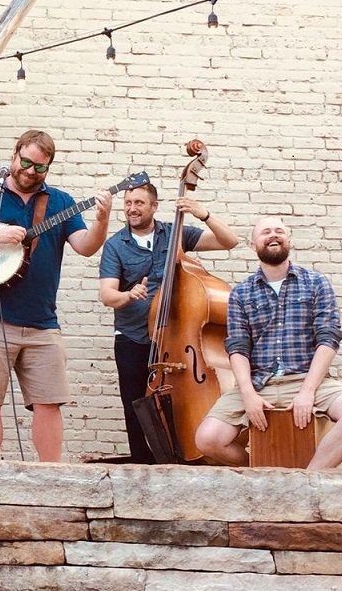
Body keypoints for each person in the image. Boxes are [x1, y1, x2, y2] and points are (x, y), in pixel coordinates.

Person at [0, 130, 112, 462]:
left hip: (41, 319)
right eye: (26, 162)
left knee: (50, 400)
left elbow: (86, 246)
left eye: (40, 167)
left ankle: (51, 478)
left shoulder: (60, 202)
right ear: (15, 154)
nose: (30, 171)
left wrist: (103, 221)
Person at [194, 216, 342, 469]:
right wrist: (248, 394)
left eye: (280, 231)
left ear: (289, 241)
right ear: (253, 245)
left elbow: (328, 340)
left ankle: (309, 482)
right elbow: (238, 348)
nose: (273, 235)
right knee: (207, 439)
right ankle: (262, 475)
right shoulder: (241, 293)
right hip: (258, 382)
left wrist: (307, 391)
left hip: (307, 379)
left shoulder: (316, 283)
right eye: (266, 232)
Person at [98, 183, 238, 463]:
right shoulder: (115, 245)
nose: (131, 208)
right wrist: (128, 294)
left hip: (176, 338)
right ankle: (142, 462)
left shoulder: (175, 234)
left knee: (182, 396)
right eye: (128, 203)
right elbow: (107, 295)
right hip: (134, 335)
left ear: (154, 206)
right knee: (135, 404)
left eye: (139, 203)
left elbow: (229, 241)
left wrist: (203, 214)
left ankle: (185, 454)